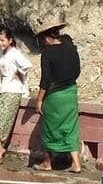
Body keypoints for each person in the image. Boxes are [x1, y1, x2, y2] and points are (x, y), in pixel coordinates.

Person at [31, 18, 83, 173]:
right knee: (71, 128)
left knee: (48, 129)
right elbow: (77, 71)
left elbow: (45, 79)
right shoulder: (71, 49)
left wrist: (39, 99)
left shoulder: (47, 53)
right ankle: (76, 164)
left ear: (47, 37)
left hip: (55, 97)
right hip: (71, 94)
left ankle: (47, 163)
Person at [0, 29, 33, 165]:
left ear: (10, 40)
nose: (0, 43)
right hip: (4, 90)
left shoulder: (14, 53)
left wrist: (19, 73)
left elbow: (28, 65)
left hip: (13, 91)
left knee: (2, 124)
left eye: (2, 40)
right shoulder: (1, 54)